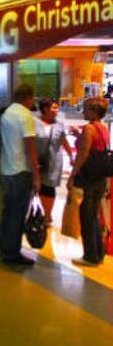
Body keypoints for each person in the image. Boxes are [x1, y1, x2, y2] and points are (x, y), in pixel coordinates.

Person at [0, 83, 40, 266]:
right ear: (29, 97)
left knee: (8, 213)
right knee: (17, 215)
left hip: (6, 170)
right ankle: (12, 253)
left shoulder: (6, 113)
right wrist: (37, 177)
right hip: (20, 171)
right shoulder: (25, 116)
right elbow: (30, 150)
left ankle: (5, 249)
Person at [67, 97, 109, 267]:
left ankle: (90, 256)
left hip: (87, 178)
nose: (83, 112)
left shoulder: (89, 129)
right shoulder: (103, 127)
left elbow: (83, 155)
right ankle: (99, 252)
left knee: (87, 217)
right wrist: (79, 135)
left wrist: (72, 175)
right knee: (94, 216)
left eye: (85, 109)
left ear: (93, 111)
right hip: (100, 177)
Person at [35, 98, 73, 225]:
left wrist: (71, 155)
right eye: (54, 108)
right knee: (38, 187)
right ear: (45, 109)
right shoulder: (34, 123)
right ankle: (40, 212)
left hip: (53, 162)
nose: (57, 111)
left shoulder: (59, 125)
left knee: (49, 188)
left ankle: (47, 215)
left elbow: (64, 141)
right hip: (35, 161)